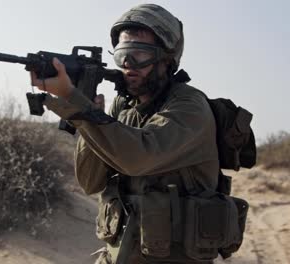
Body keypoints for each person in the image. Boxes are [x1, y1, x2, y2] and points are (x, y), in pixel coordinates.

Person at [31, 4, 219, 264]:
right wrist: (88, 114)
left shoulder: (189, 107)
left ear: (167, 59)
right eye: (122, 55)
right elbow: (90, 182)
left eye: (140, 55)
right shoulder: (124, 105)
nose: (129, 65)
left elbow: (138, 157)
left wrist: (75, 101)